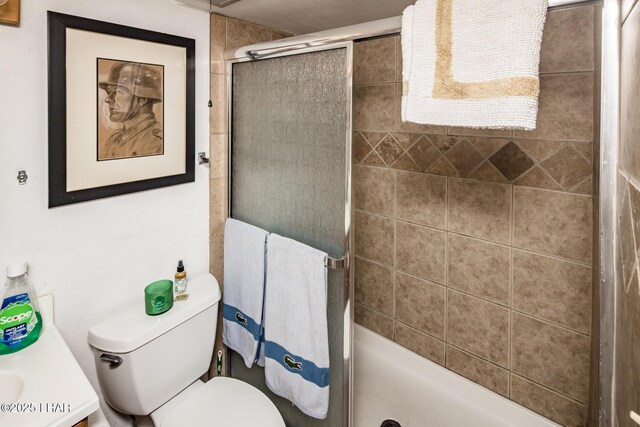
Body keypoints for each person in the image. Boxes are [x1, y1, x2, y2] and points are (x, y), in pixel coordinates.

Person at [98, 62, 163, 160]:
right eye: (109, 92)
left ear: (142, 99)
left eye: (118, 92)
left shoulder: (157, 141)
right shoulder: (115, 138)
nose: (108, 99)